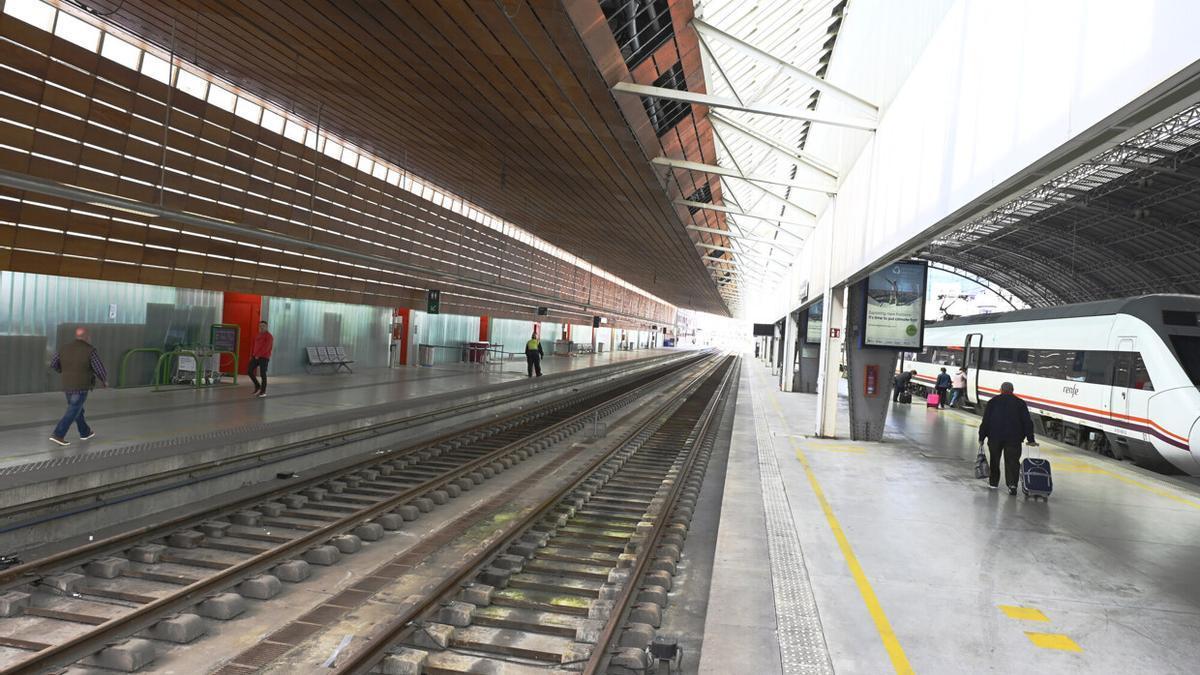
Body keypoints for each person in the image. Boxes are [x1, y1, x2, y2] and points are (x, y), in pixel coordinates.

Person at [49, 327, 107, 446]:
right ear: (86, 337)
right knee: (73, 409)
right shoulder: (90, 350)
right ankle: (58, 434)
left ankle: (85, 432)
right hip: (80, 385)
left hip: (67, 385)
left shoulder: (64, 348)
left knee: (77, 409)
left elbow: (54, 364)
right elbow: (99, 368)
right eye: (89, 336)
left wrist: (64, 371)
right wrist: (104, 380)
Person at [978, 381, 1037, 494]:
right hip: (1014, 438)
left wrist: (982, 436)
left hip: (995, 437)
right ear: (1012, 390)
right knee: (1012, 461)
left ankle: (993, 483)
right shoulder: (1020, 403)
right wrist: (1031, 439)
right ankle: (1012, 485)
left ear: (1000, 390)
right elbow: (1027, 422)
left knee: (994, 460)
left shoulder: (992, 402)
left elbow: (986, 421)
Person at [248, 320, 273, 398]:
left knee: (263, 374)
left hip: (264, 357)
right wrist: (252, 355)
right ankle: (258, 386)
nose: (261, 327)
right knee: (249, 371)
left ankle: (263, 392)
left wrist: (259, 355)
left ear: (266, 327)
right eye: (260, 326)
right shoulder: (257, 335)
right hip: (255, 356)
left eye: (263, 326)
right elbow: (254, 345)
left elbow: (266, 348)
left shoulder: (269, 336)